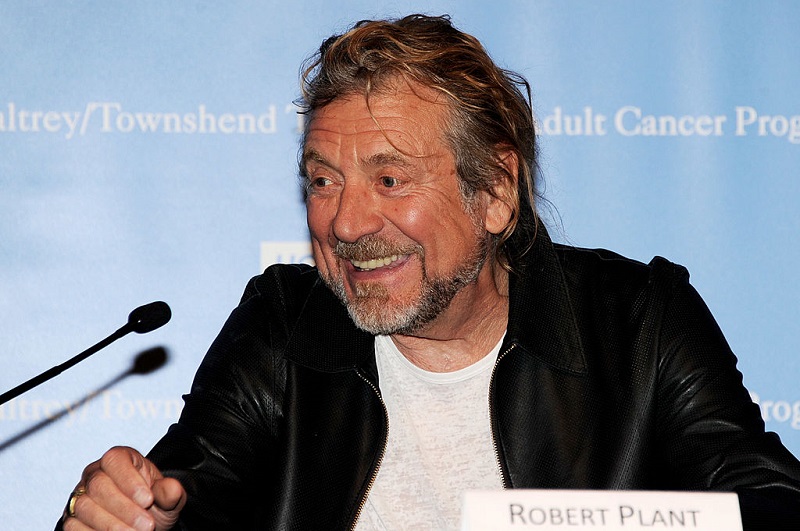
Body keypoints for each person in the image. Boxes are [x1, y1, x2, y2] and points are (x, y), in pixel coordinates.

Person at [58, 14, 800, 531]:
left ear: (496, 192)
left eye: (389, 180)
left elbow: (769, 501)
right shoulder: (286, 322)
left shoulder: (638, 322)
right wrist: (123, 513)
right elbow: (190, 492)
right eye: (322, 181)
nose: (345, 223)